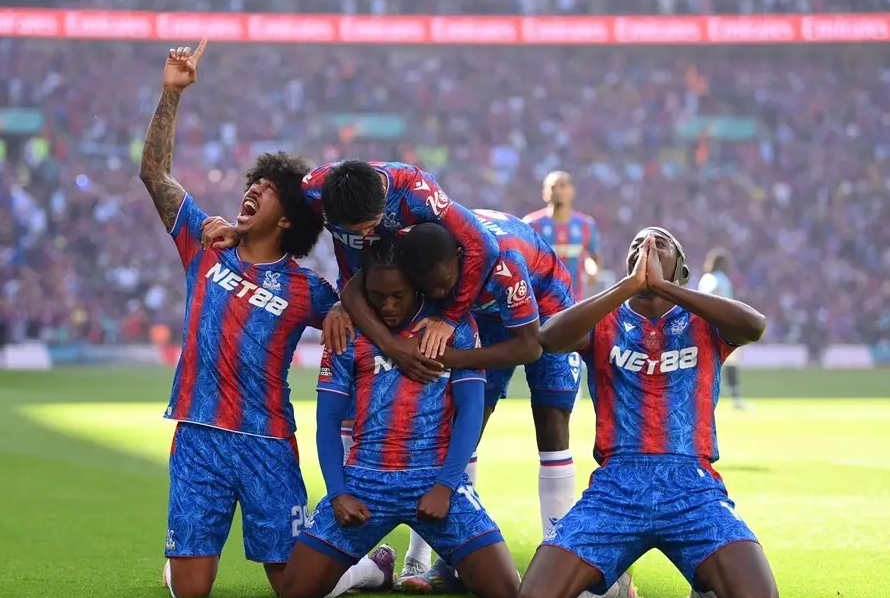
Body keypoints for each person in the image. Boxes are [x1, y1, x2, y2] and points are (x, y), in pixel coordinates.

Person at [140, 41, 391, 598]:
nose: (254, 189)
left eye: (270, 190)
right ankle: (182, 562)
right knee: (190, 593)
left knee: (295, 588)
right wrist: (171, 93)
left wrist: (344, 306)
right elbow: (154, 174)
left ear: (288, 220)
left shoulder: (306, 289)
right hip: (198, 435)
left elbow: (369, 305)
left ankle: (371, 569)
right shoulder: (205, 246)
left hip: (268, 441)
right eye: (255, 184)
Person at [519, 227, 777, 598]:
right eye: (637, 244)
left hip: (692, 485)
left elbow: (755, 326)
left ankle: (705, 582)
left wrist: (666, 289)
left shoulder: (703, 322)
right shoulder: (604, 321)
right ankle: (621, 581)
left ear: (681, 268)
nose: (646, 247)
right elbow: (548, 337)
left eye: (660, 243)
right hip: (615, 487)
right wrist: (628, 287)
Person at [388, 214, 634, 595]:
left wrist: (457, 358)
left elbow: (530, 345)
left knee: (551, 423)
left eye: (444, 285)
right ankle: (440, 560)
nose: (438, 294)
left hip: (547, 308)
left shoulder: (502, 263)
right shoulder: (422, 251)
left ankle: (560, 560)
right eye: (429, 289)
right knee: (460, 426)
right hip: (483, 313)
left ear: (460, 259)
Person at [278, 238, 520, 598]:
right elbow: (327, 421)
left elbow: (470, 411)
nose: (388, 306)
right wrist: (338, 493)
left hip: (434, 480)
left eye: (398, 296)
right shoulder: (348, 330)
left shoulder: (452, 327)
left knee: (506, 590)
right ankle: (375, 570)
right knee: (294, 591)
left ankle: (443, 568)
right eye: (378, 296)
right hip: (364, 482)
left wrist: (445, 486)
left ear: (416, 285)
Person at [201, 159, 500, 382]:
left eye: (372, 225)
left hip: (410, 289)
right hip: (359, 289)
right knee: (350, 354)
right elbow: (274, 210)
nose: (367, 234)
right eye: (355, 231)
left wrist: (450, 317)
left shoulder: (417, 193)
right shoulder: (313, 189)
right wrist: (241, 231)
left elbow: (483, 245)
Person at [523, 171, 602, 301]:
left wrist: (593, 270)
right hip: (541, 299)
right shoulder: (531, 224)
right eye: (553, 187)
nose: (558, 191)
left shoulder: (586, 224)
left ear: (572, 191)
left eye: (563, 186)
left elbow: (593, 255)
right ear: (544, 193)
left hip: (575, 298)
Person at [698, 248, 748, 410]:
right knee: (731, 362)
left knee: (707, 364)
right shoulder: (723, 280)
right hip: (723, 326)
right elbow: (726, 304)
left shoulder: (705, 279)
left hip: (704, 326)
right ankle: (736, 399)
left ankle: (703, 398)